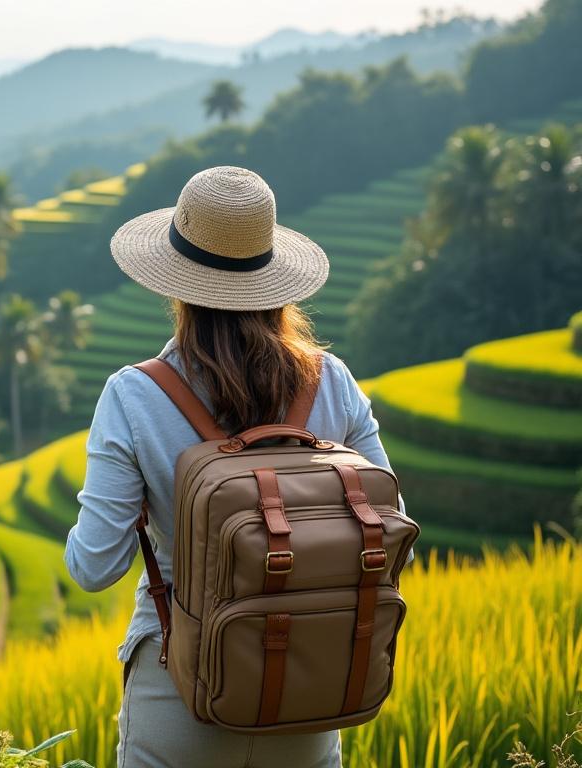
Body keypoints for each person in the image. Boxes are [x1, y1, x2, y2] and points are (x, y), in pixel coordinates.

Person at [64, 166, 400, 768]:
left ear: (175, 282)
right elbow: (393, 530)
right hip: (310, 695)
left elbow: (93, 567)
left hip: (180, 691)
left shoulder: (134, 396)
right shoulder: (332, 381)